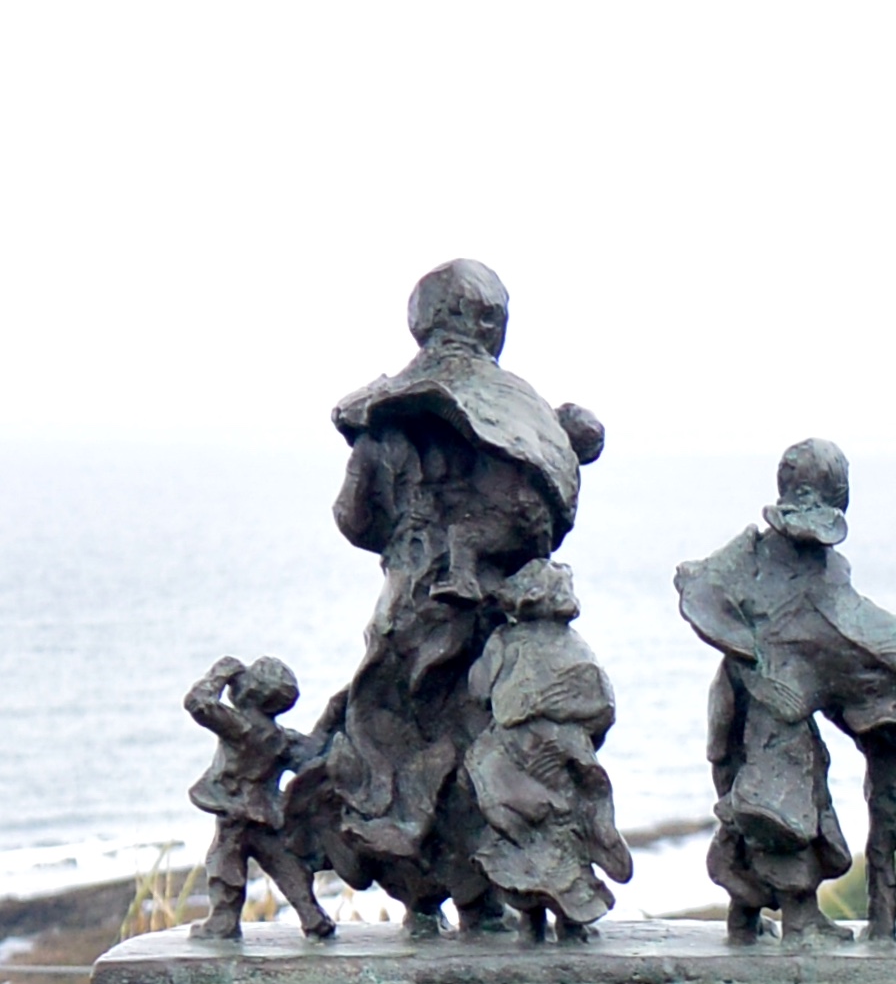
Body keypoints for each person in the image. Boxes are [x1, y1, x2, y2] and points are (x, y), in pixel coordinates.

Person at [297, 260, 602, 931]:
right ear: (494, 326)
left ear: (419, 322)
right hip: (495, 618)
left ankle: (425, 898)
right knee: (482, 741)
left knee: (392, 745)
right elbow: (542, 524)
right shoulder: (522, 413)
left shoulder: (384, 420)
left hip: (408, 607)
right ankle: (479, 896)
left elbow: (355, 520)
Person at [676, 443, 896, 943]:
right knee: (785, 808)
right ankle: (800, 919)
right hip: (772, 710)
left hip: (744, 697)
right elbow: (863, 632)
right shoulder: (808, 569)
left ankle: (744, 916)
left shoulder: (752, 555)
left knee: (747, 802)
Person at [461, 564, 631, 940]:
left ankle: (540, 922)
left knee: (536, 834)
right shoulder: (571, 644)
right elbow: (603, 708)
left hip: (526, 753)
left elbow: (479, 689)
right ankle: (564, 922)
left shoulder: (505, 641)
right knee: (555, 830)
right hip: (539, 755)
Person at [183, 658, 334, 940]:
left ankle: (223, 922)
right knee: (282, 862)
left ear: (252, 690)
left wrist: (221, 672)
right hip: (266, 812)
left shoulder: (240, 727)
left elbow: (198, 703)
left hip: (235, 808)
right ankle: (312, 916)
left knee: (224, 860)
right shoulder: (281, 739)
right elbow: (313, 758)